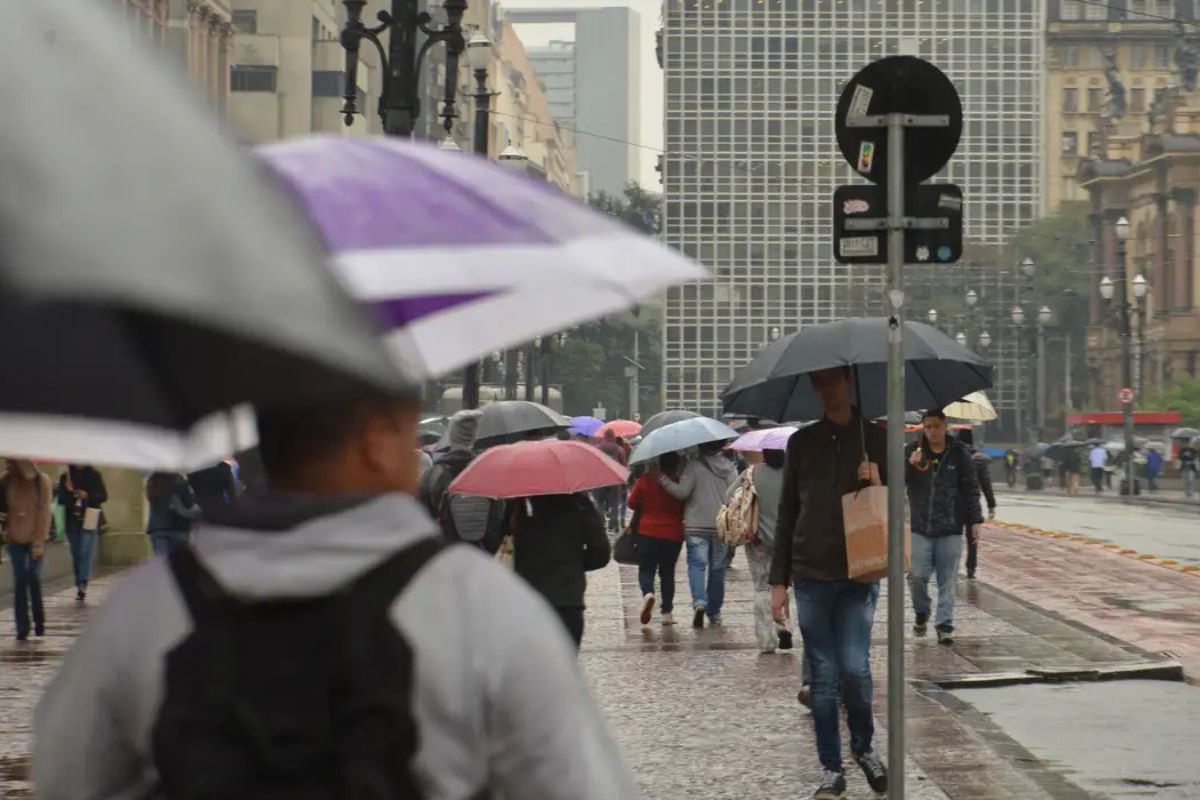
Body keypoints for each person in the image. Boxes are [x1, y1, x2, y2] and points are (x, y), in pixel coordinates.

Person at [34, 386, 639, 800]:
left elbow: (68, 776)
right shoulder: (477, 606)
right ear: (375, 443)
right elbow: (575, 783)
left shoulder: (145, 608)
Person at [769, 366, 889, 799]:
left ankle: (864, 748)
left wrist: (879, 481)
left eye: (832, 380)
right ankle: (831, 769)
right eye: (817, 382)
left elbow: (898, 503)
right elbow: (787, 513)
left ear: (849, 381)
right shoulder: (802, 443)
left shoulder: (875, 438)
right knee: (822, 676)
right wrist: (778, 581)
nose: (825, 389)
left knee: (855, 670)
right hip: (811, 573)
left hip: (859, 571)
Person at [906, 410, 983, 645]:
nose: (933, 432)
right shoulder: (912, 452)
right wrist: (908, 466)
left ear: (945, 425)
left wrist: (975, 520)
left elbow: (970, 488)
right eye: (928, 427)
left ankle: (945, 624)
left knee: (947, 579)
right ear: (923, 428)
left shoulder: (958, 454)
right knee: (916, 576)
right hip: (921, 526)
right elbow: (896, 481)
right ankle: (922, 611)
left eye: (937, 426)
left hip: (950, 527)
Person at [509, 492, 612, 648]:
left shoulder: (520, 502)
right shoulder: (580, 503)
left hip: (529, 598)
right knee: (566, 666)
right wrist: (574, 564)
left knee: (533, 667)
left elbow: (499, 538)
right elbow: (601, 552)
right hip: (568, 600)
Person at [657, 441, 737, 629]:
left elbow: (682, 493)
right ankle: (715, 612)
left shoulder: (693, 466)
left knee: (697, 565)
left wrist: (663, 480)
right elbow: (735, 496)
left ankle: (700, 602)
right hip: (721, 526)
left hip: (696, 525)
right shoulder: (729, 467)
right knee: (718, 570)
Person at [731, 448, 793, 654]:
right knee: (786, 584)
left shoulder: (751, 473)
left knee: (761, 587)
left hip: (757, 539)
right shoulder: (793, 472)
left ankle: (766, 640)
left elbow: (728, 495)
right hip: (788, 540)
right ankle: (784, 625)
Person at [419, 409, 507, 553]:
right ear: (474, 437)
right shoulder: (488, 473)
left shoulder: (433, 474)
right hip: (482, 552)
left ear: (451, 435)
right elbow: (499, 514)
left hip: (447, 551)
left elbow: (423, 515)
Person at [628, 452, 686, 626]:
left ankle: (648, 593)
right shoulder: (679, 483)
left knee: (646, 569)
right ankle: (667, 613)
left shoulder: (646, 479)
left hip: (647, 532)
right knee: (667, 573)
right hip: (673, 534)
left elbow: (631, 503)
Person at [1, 460, 52, 641]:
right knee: (20, 581)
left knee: (33, 577)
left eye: (11, 462)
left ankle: (39, 620)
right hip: (14, 540)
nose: (8, 465)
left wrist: (38, 541)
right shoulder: (6, 481)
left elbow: (44, 512)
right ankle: (22, 627)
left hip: (35, 539)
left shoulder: (41, 481)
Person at [56, 464, 107, 603]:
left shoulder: (94, 475)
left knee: (85, 551)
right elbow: (61, 500)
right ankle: (79, 582)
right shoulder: (66, 477)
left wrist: (87, 495)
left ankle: (83, 582)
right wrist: (68, 491)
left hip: (90, 517)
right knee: (76, 552)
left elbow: (103, 496)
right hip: (72, 521)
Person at [956, 429, 996, 580]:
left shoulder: (954, 456)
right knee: (972, 537)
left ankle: (954, 566)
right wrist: (991, 505)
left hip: (955, 503)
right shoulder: (978, 459)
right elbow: (986, 484)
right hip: (973, 503)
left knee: (954, 536)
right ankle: (971, 568)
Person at [145, 473, 202, 557]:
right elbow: (189, 504)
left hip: (158, 529)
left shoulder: (154, 480)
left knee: (162, 564)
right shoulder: (180, 481)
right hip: (178, 527)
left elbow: (152, 499)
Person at [594, 430, 628, 531]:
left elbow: (593, 464)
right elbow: (624, 466)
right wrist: (624, 483)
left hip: (600, 480)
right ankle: (614, 524)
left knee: (600, 502)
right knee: (614, 503)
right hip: (615, 480)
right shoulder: (619, 449)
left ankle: (601, 523)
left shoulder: (598, 448)